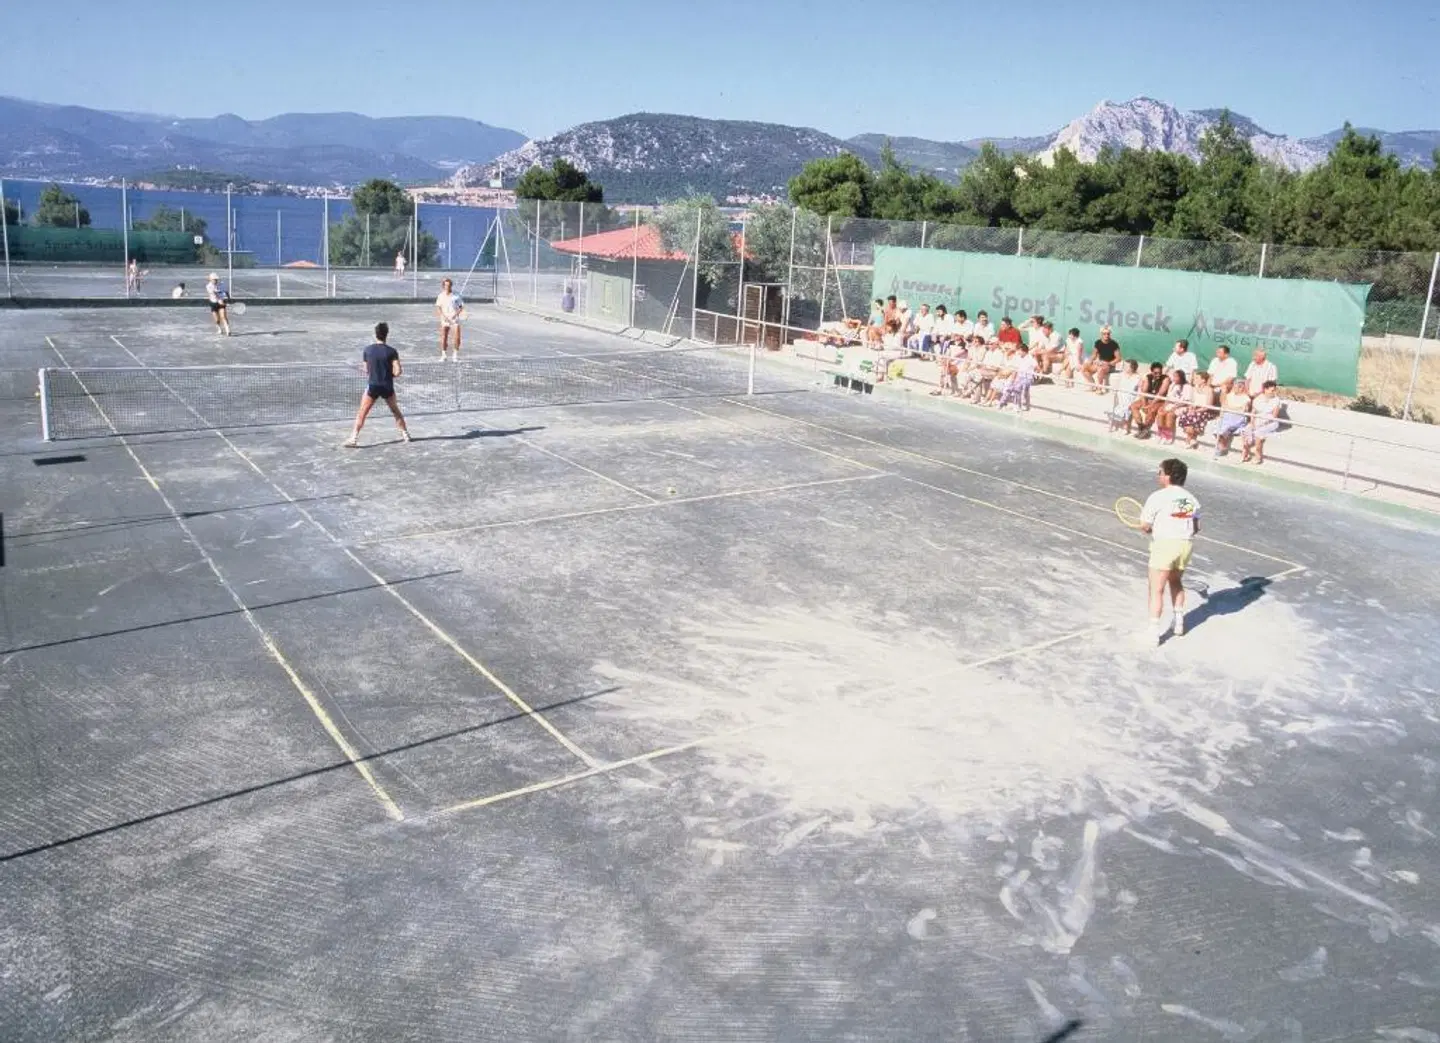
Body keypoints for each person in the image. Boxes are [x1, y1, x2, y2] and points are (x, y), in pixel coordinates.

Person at [1140, 458, 1201, 643]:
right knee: (1176, 582)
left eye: (1160, 472)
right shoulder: (1192, 499)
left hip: (1165, 545)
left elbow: (1144, 525)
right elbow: (1196, 527)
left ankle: (1153, 632)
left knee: (1156, 589)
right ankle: (1179, 622)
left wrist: (1149, 529)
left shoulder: (1157, 496)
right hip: (1185, 545)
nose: (1158, 475)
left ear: (1168, 476)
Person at [344, 322, 411, 447]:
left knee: (362, 412)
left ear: (376, 335)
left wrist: (365, 370)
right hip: (387, 386)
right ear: (386, 335)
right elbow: (398, 371)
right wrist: (389, 376)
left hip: (373, 386)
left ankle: (353, 438)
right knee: (395, 411)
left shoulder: (368, 350)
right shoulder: (392, 351)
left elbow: (367, 371)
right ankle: (405, 435)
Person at [1242, 381, 1283, 464]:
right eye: (1272, 390)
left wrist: (1262, 424)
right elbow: (1253, 413)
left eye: (1275, 390)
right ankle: (1245, 452)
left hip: (1270, 422)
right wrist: (1252, 423)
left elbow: (1274, 416)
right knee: (1246, 430)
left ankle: (1258, 455)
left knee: (1258, 433)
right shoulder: (1258, 399)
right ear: (1265, 390)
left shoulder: (1277, 400)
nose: (1274, 392)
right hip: (1258, 420)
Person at [1177, 371, 1217, 450]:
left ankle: (1188, 441)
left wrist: (1196, 411)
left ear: (1203, 380)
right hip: (1194, 410)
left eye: (1197, 378)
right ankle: (1192, 440)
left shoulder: (1209, 390)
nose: (1195, 379)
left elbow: (1208, 406)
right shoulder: (1194, 388)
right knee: (1186, 415)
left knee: (1193, 417)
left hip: (1204, 411)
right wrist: (1191, 408)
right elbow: (1192, 401)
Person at [1212, 382, 1252, 458]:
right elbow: (1224, 406)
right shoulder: (1229, 396)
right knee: (1217, 428)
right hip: (1227, 415)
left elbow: (1243, 410)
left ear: (1241, 388)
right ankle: (1222, 445)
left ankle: (1221, 446)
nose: (1234, 389)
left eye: (1236, 387)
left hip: (1238, 417)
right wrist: (1224, 413)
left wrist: (1230, 408)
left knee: (1227, 427)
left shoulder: (1246, 398)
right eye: (1234, 387)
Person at [1082, 325, 1122, 392]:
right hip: (1100, 363)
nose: (1106, 335)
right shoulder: (1098, 342)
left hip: (1110, 366)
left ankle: (1099, 389)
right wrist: (1089, 361)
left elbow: (1119, 358)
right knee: (1084, 367)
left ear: (1110, 334)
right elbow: (1094, 355)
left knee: (1100, 369)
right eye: (1104, 334)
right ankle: (1093, 385)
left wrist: (1108, 363)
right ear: (1101, 334)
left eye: (1108, 334)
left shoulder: (1114, 344)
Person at [435, 277, 466, 360]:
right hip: (445, 319)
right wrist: (443, 316)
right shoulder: (440, 296)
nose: (447, 287)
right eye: (446, 285)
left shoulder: (456, 296)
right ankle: (444, 355)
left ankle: (455, 355)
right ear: (443, 286)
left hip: (454, 319)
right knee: (444, 337)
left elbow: (461, 307)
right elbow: (438, 307)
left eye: (449, 285)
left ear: (451, 286)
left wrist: (455, 315)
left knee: (457, 337)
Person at [1109, 359, 1141, 434]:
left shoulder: (1138, 377)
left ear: (1132, 368)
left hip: (1130, 396)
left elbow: (1138, 390)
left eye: (1127, 366)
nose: (1124, 367)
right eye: (1124, 366)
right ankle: (1113, 424)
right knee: (1115, 405)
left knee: (1127, 408)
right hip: (1121, 395)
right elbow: (1116, 387)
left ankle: (1126, 427)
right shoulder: (1121, 375)